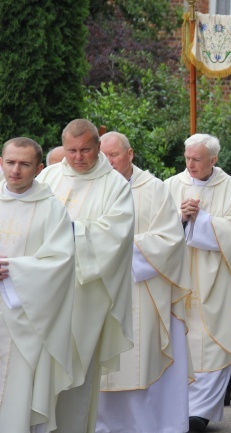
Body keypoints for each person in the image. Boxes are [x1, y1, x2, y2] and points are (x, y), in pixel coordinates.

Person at [38, 119, 135, 433]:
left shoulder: (115, 186)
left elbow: (114, 238)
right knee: (41, 371)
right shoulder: (49, 176)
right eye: (71, 150)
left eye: (85, 150)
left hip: (85, 296)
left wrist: (65, 231)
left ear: (98, 145)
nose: (78, 157)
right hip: (43, 292)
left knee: (76, 373)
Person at [96, 132, 193, 433]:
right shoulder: (94, 186)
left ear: (130, 154)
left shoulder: (153, 189)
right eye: (104, 156)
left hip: (142, 290)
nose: (108, 162)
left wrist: (121, 248)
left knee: (141, 360)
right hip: (101, 291)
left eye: (113, 155)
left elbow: (170, 239)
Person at [165, 133, 231, 432]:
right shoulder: (170, 186)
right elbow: (156, 228)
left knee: (214, 342)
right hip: (179, 279)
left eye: (197, 159)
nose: (190, 164)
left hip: (215, 279)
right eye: (187, 158)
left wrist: (201, 219)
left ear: (213, 160)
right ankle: (176, 409)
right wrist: (180, 219)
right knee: (180, 343)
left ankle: (199, 412)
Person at [0, 137, 76, 432]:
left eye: (24, 164)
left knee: (18, 393)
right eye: (10, 162)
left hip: (26, 317)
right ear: (1, 163)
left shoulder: (51, 209)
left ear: (39, 168)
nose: (16, 170)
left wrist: (13, 270)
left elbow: (61, 262)